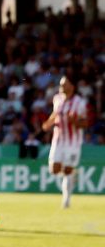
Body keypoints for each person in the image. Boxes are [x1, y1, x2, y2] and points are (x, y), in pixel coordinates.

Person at [42, 75, 88, 209]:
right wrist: (48, 123)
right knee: (54, 169)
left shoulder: (79, 102)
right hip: (58, 140)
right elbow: (55, 113)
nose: (61, 87)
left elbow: (85, 123)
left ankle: (66, 200)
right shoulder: (57, 99)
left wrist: (75, 122)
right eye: (61, 84)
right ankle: (72, 174)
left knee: (67, 170)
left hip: (73, 142)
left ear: (72, 87)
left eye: (64, 84)